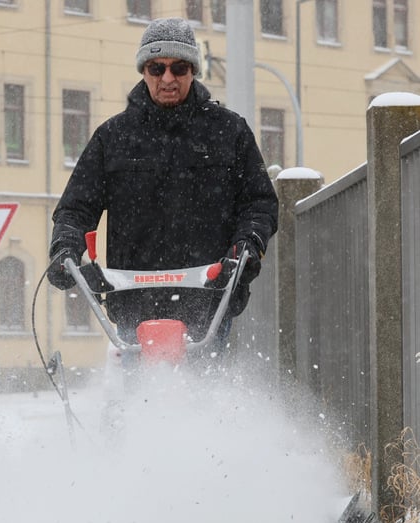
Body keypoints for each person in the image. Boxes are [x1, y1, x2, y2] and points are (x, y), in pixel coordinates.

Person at [47, 16, 278, 354]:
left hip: (209, 298)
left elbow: (258, 203)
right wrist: (65, 248)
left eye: (179, 68)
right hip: (134, 303)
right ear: (144, 70)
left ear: (193, 70)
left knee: (209, 382)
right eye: (157, 68)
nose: (168, 78)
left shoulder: (229, 133)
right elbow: (76, 208)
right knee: (137, 383)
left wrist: (248, 245)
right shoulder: (113, 138)